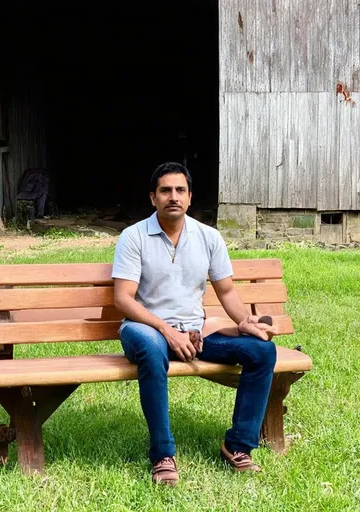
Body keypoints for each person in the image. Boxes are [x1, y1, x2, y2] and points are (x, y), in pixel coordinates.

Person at [112, 162, 277, 486]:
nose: (173, 196)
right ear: (153, 197)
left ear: (189, 197)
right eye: (165, 190)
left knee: (262, 351)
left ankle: (238, 446)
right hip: (145, 330)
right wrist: (167, 331)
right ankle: (162, 454)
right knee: (150, 347)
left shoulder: (208, 237)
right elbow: (124, 299)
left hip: (196, 333)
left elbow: (226, 290)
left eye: (180, 190)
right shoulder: (133, 237)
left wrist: (245, 321)